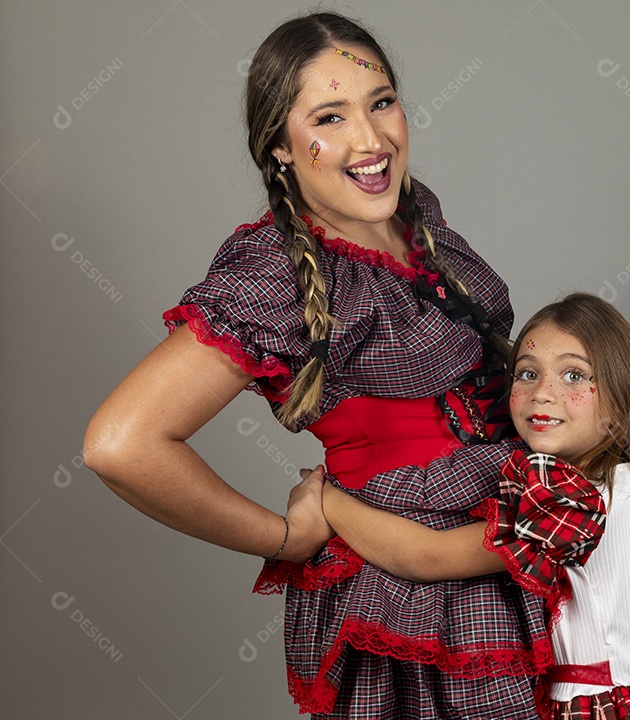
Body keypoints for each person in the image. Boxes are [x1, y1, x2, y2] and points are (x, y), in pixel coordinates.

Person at [83, 11, 549, 719]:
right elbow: (120, 445)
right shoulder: (276, 274)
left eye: (381, 103)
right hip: (414, 602)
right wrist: (288, 535)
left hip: (507, 553)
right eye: (329, 117)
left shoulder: (416, 217)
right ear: (279, 146)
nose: (370, 141)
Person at [297, 293, 630, 718]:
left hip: (594, 707)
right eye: (527, 373)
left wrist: (325, 498)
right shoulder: (627, 477)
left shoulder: (571, 500)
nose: (542, 394)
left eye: (574, 375)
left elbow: (425, 556)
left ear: (624, 405)